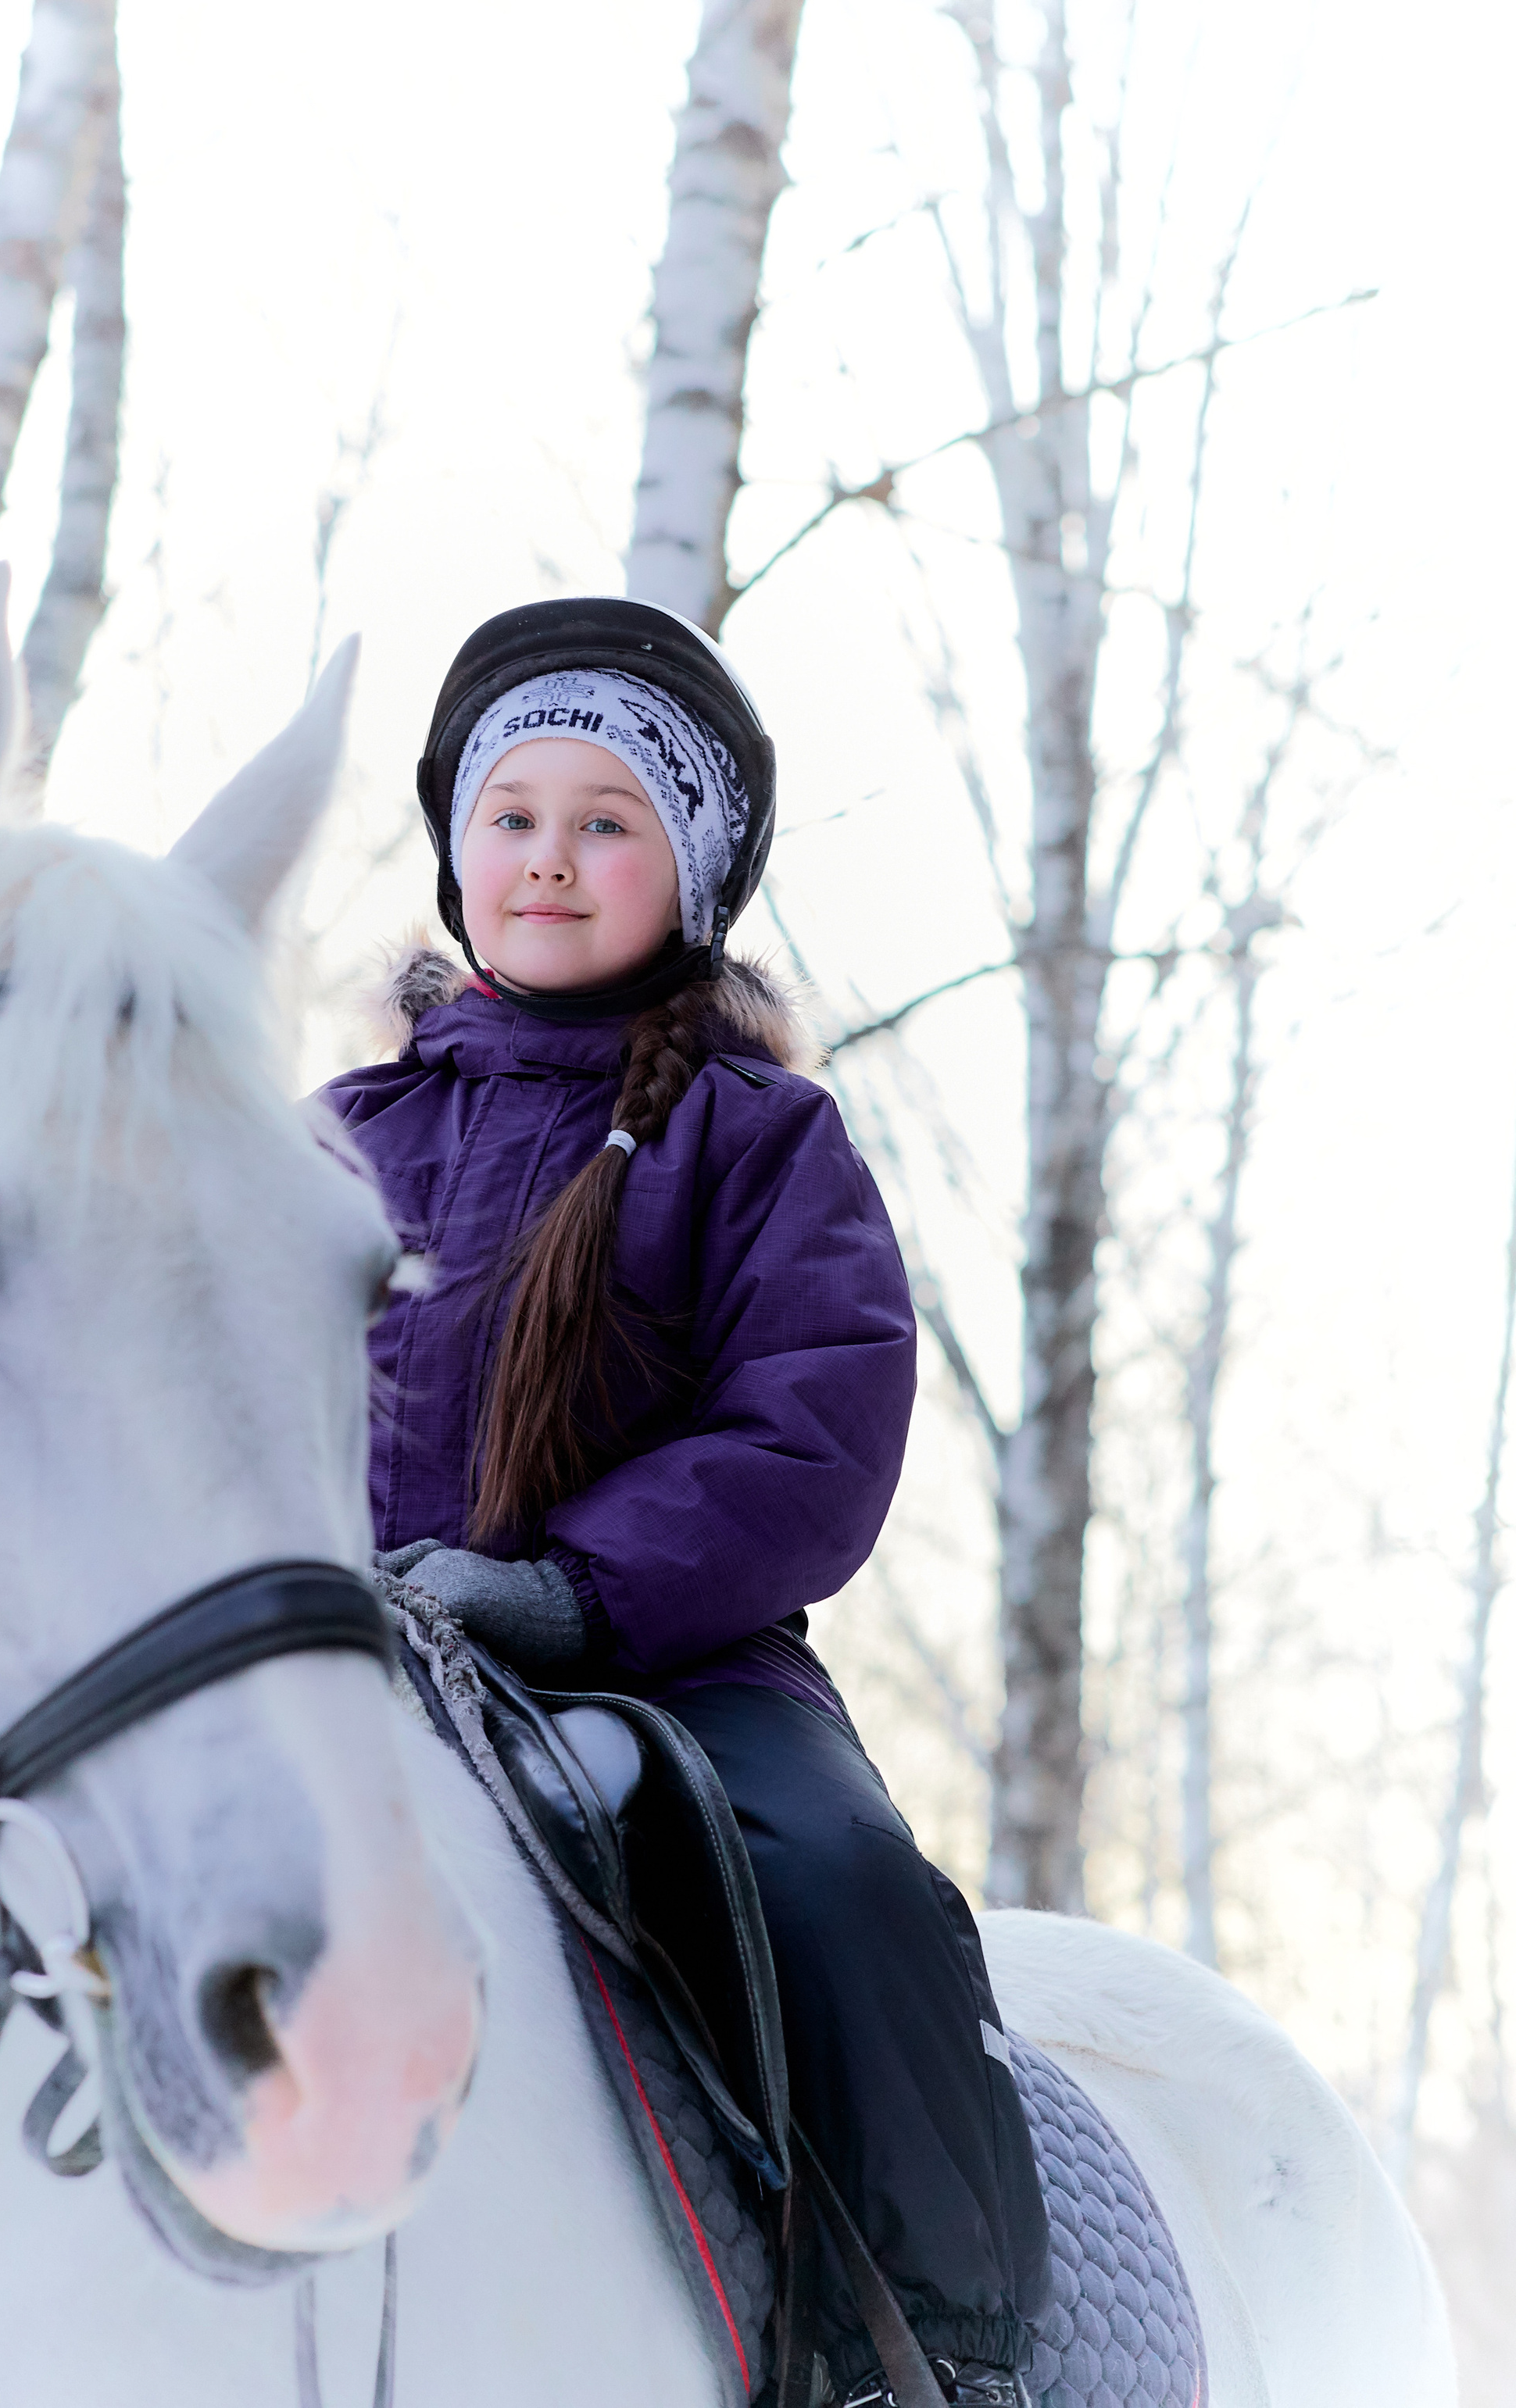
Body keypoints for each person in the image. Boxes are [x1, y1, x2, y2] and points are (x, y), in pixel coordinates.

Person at [323, 598, 1049, 2406]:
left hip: (676, 1676)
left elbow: (811, 1431)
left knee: (844, 1883)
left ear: (687, 879)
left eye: (606, 821)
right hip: (351, 1659)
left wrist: (563, 1593)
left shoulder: (752, 1134)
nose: (547, 856)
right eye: (510, 814)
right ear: (451, 854)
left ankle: (939, 2345)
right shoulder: (331, 1135)